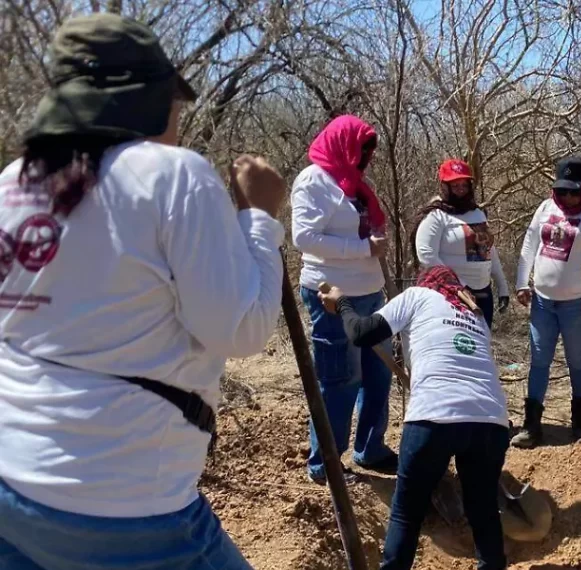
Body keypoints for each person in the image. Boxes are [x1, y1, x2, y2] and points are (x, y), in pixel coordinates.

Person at [0, 13, 286, 569]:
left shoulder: (14, 182)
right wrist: (259, 217)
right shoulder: (174, 175)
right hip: (124, 503)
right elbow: (244, 330)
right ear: (147, 100)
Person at [319, 265, 510, 570]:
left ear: (426, 282)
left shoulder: (417, 296)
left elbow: (362, 332)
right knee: (483, 510)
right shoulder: (475, 313)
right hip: (492, 420)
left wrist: (342, 304)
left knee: (406, 512)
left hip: (434, 415)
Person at [291, 115, 398, 483]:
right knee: (341, 379)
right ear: (343, 145)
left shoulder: (354, 185)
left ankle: (371, 449)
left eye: (369, 151)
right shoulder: (312, 181)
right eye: (362, 149)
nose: (367, 156)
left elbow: (362, 228)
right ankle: (326, 466)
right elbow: (304, 237)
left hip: (370, 291)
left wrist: (373, 241)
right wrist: (363, 247)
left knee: (378, 374)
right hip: (332, 294)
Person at [512, 155, 581, 447]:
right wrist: (523, 282)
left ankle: (579, 424)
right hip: (543, 301)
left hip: (577, 303)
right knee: (539, 360)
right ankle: (532, 426)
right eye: (562, 190)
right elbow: (530, 244)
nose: (568, 197)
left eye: (574, 190)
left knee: (576, 361)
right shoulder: (545, 208)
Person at [415, 158, 510, 327]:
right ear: (445, 186)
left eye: (464, 185)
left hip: (483, 292)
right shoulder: (436, 216)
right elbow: (426, 254)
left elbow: (489, 251)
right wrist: (457, 285)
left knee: (482, 345)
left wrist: (502, 286)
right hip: (452, 294)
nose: (460, 190)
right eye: (455, 185)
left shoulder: (478, 213)